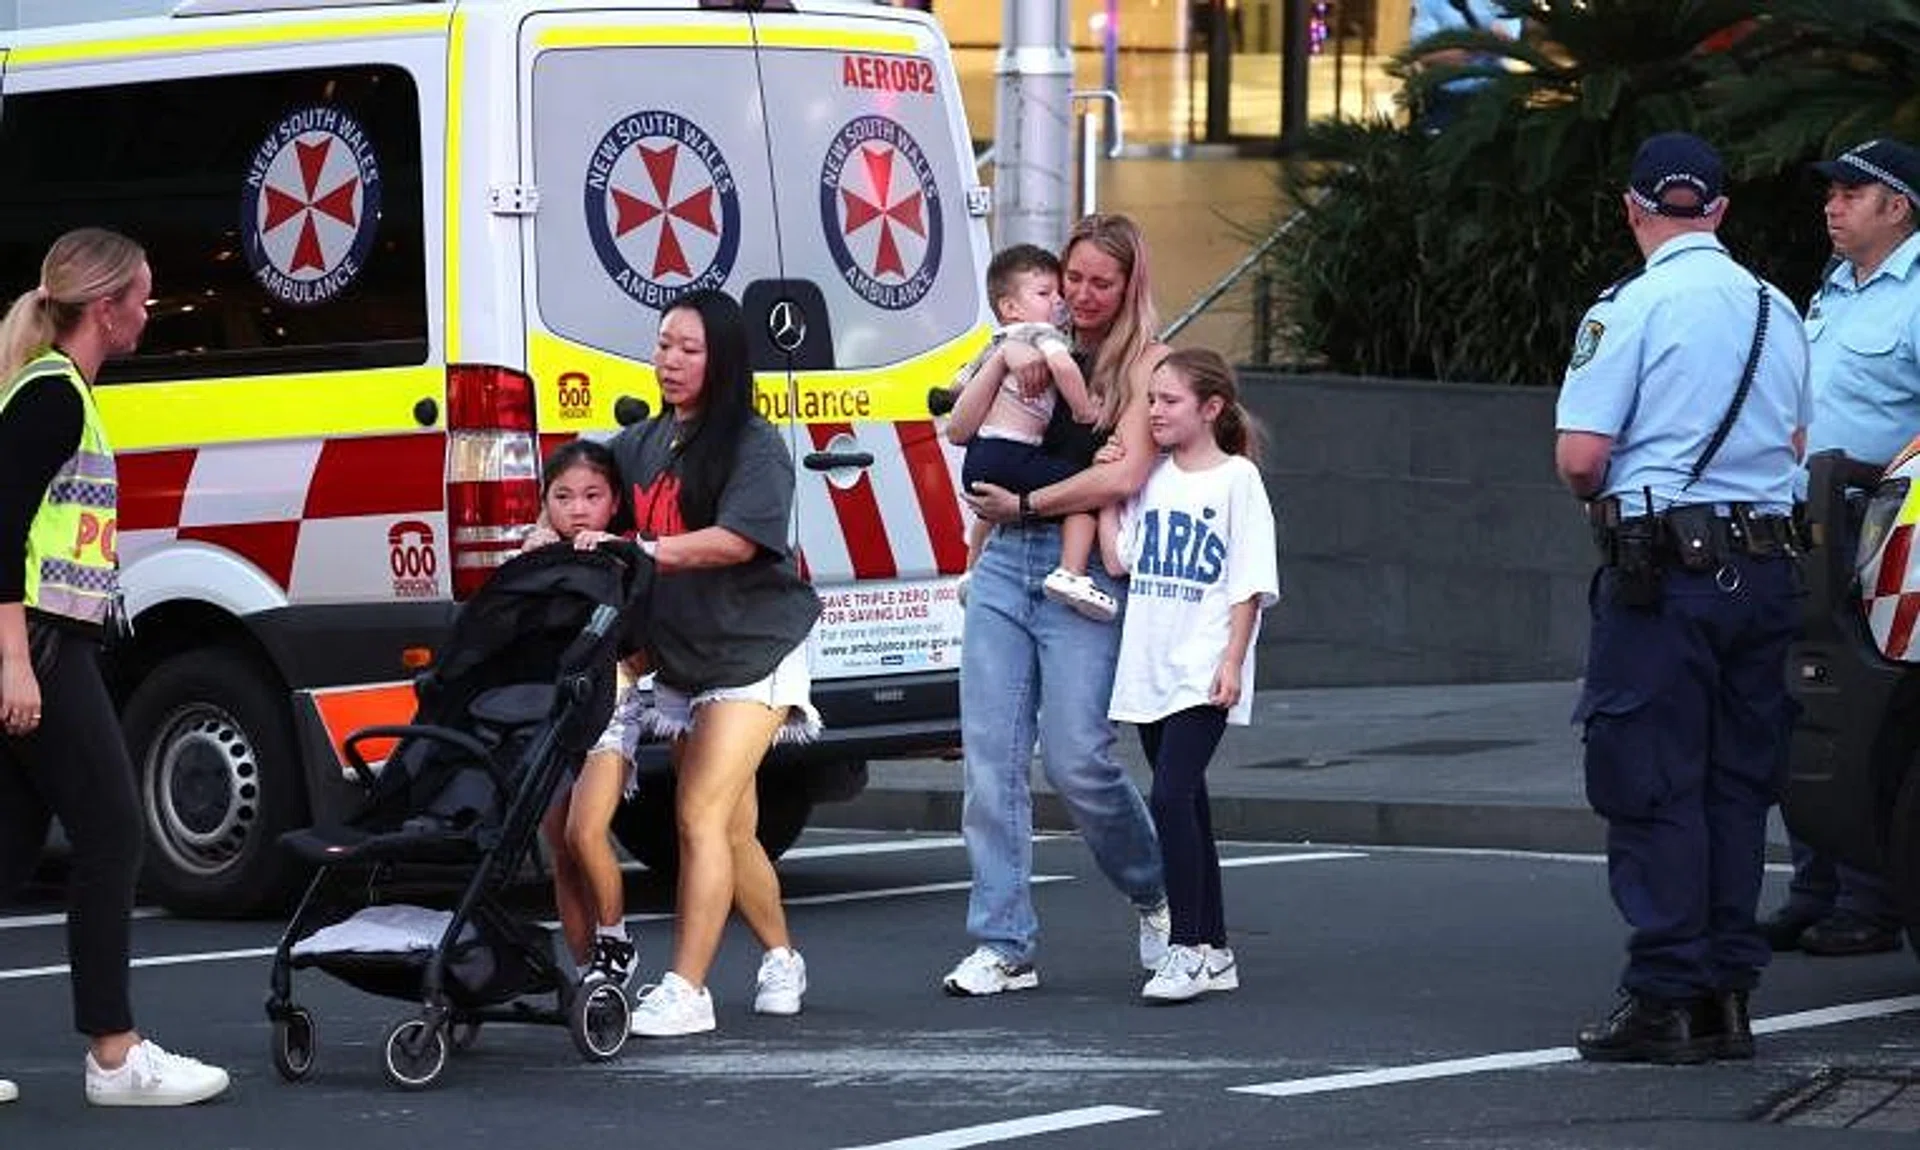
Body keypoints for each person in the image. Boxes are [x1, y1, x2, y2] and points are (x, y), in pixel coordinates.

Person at [1556, 133, 1810, 1065]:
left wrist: (1612, 498)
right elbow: (1793, 439)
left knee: (1653, 782)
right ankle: (1726, 996)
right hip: (1769, 567)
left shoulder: (1629, 306)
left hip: (1664, 574)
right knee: (1738, 787)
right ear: (1721, 212)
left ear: (1633, 209)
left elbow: (1582, 458)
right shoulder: (1777, 308)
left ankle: (1666, 997)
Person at [0, 227, 231, 1105]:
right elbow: (0, 535)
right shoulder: (52, 398)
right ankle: (114, 1054)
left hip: (47, 641)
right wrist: (16, 663)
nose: (150, 309)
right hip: (42, 647)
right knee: (112, 832)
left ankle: (114, 1050)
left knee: (12, 844)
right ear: (105, 308)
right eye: (142, 295)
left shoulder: (55, 393)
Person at [941, 212, 1170, 997]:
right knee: (989, 761)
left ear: (1130, 283)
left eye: (1099, 282)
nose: (1081, 294)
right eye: (1071, 278)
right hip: (1006, 562)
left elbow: (1120, 476)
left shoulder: (1147, 364)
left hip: (1083, 569)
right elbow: (960, 427)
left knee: (1079, 758)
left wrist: (1028, 502)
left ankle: (1155, 889)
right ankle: (1003, 941)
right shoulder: (1031, 343)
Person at [606, 289, 822, 1037]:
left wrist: (647, 551)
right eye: (664, 343)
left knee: (696, 811)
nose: (668, 360)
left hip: (756, 650)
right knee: (732, 829)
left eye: (688, 349)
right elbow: (593, 506)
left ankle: (687, 989)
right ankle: (783, 956)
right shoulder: (638, 443)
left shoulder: (755, 445)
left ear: (723, 359)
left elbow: (736, 541)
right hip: (685, 660)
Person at [1758, 138, 1920, 960]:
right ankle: (1817, 885)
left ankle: (1872, 895)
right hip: (1812, 526)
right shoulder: (1831, 291)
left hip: (1889, 532)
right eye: (1831, 192)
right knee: (1812, 705)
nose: (1833, 204)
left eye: (1852, 193)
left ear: (1898, 207)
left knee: (1875, 708)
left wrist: (1878, 472)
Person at [1107, 348, 1279, 1003]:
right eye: (1151, 399)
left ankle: (1183, 948)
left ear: (1210, 409)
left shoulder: (1237, 480)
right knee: (1190, 804)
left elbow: (1251, 583)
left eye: (1169, 400)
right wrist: (1107, 492)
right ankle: (1215, 948)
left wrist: (1232, 660)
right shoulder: (1150, 478)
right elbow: (1120, 561)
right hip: (1150, 662)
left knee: (1171, 797)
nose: (1155, 411)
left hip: (1202, 667)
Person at [519, 440, 642, 989]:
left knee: (585, 831)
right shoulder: (537, 554)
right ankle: (586, 968)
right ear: (545, 502)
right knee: (560, 846)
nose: (578, 509)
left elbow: (637, 634)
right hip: (553, 712)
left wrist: (612, 550)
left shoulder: (624, 552)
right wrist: (534, 555)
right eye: (563, 496)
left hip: (610, 706)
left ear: (613, 502)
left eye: (592, 496)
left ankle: (616, 941)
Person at [946, 243, 1115, 620]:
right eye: (1045, 293)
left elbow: (957, 387)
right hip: (1013, 452)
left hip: (980, 457)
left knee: (986, 512)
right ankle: (1071, 573)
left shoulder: (994, 342)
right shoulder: (1041, 334)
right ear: (1010, 307)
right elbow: (1067, 371)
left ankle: (973, 570)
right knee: (1086, 490)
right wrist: (1085, 410)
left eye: (1057, 292)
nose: (1059, 301)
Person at [1408, 0, 1521, 133]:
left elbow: (1507, 45)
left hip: (1494, 98)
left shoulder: (1500, 4)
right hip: (1448, 100)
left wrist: (1469, 48)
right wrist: (1479, 47)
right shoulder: (1430, 3)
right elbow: (1426, 55)